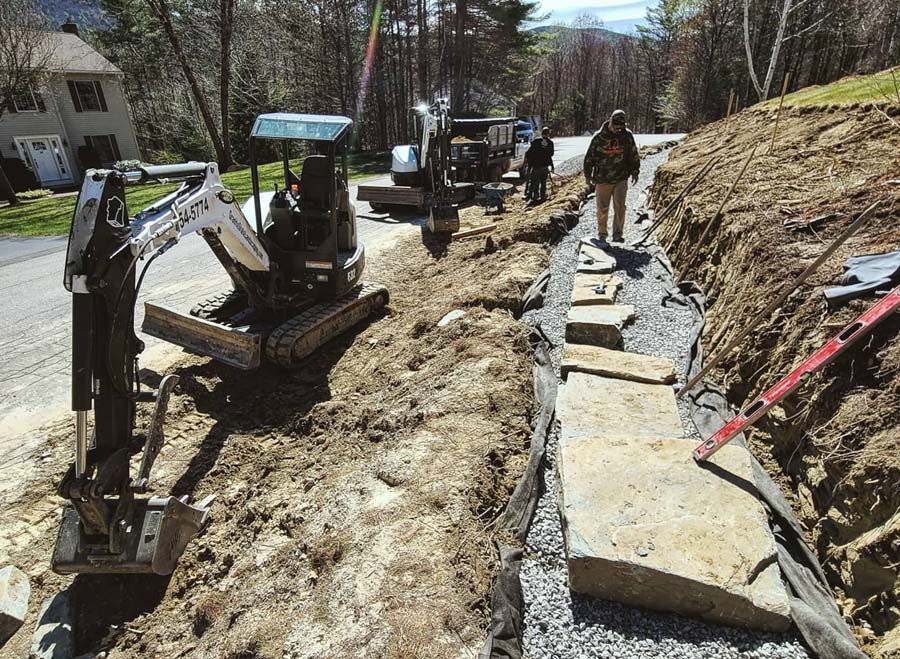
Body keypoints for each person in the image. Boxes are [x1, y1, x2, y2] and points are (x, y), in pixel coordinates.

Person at [583, 109, 640, 243]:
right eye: (614, 127)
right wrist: (588, 175)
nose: (616, 130)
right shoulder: (599, 137)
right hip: (602, 178)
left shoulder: (626, 136)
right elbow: (589, 157)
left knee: (620, 207)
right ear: (610, 121)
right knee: (602, 208)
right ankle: (602, 234)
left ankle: (617, 234)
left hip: (621, 177)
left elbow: (633, 154)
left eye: (619, 128)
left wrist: (635, 171)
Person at [525, 127, 555, 203]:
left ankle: (534, 196)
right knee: (543, 182)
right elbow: (550, 155)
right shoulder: (550, 143)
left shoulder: (535, 142)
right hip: (545, 167)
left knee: (534, 182)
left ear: (542, 133)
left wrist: (529, 163)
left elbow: (528, 154)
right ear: (548, 134)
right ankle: (542, 196)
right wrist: (552, 166)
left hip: (536, 167)